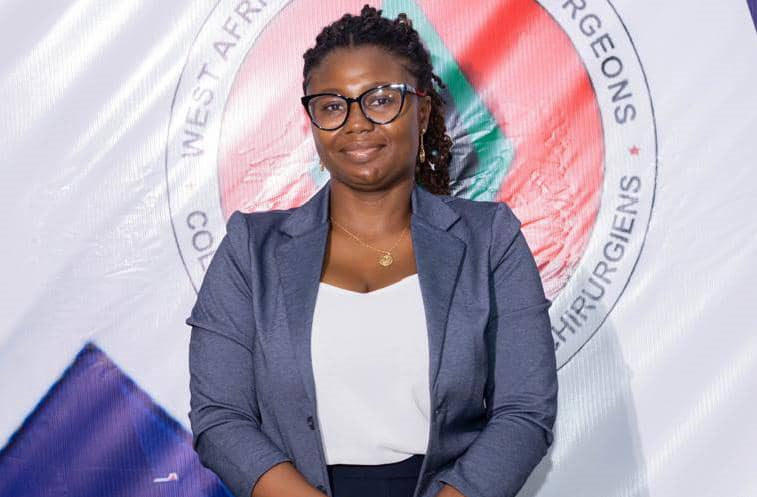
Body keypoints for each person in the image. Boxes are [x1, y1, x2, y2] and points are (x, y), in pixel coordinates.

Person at [186, 5, 557, 497]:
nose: (356, 123)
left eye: (381, 100)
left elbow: (524, 413)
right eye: (332, 105)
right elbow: (220, 417)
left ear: (422, 111)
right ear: (313, 122)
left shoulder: (490, 239)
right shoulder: (250, 251)